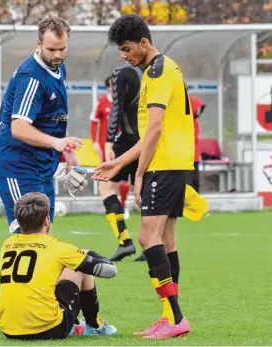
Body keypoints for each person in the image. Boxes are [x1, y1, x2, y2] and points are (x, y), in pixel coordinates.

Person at [94, 14, 193, 338]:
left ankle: (175, 318)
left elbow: (154, 129)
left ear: (144, 43)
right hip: (175, 163)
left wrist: (137, 174)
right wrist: (118, 164)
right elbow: (150, 133)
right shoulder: (158, 70)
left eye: (126, 49)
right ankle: (170, 316)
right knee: (166, 239)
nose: (124, 56)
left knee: (147, 238)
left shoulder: (158, 71)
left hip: (164, 165)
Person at [0, 16, 85, 233]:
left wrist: (66, 149)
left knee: (43, 234)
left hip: (41, 167)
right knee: (28, 235)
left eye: (63, 49)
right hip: (16, 166)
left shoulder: (59, 69)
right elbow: (19, 128)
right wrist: (57, 143)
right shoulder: (31, 77)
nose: (58, 55)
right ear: (39, 44)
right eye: (52, 49)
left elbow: (55, 117)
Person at [0, 192, 118, 340]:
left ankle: (77, 323)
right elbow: (110, 271)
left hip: (8, 329)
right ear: (46, 221)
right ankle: (95, 326)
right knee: (79, 267)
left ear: (18, 222)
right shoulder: (57, 248)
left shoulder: (7, 244)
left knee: (55, 272)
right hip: (49, 328)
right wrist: (87, 253)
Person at [97, 64, 145, 262]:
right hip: (147, 139)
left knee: (106, 188)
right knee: (143, 193)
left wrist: (108, 142)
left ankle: (125, 242)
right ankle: (153, 246)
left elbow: (116, 110)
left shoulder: (120, 73)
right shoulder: (154, 71)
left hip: (127, 140)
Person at [90, 76, 131, 221]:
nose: (113, 88)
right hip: (106, 146)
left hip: (124, 145)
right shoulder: (101, 103)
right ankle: (114, 207)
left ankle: (124, 205)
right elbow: (94, 122)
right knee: (109, 178)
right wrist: (95, 142)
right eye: (110, 86)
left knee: (125, 178)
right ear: (107, 87)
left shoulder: (126, 102)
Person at [189, 96, 206, 193]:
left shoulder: (195, 121)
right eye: (198, 108)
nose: (199, 111)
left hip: (195, 156)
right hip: (189, 157)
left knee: (195, 183)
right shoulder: (187, 122)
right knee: (190, 184)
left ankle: (195, 206)